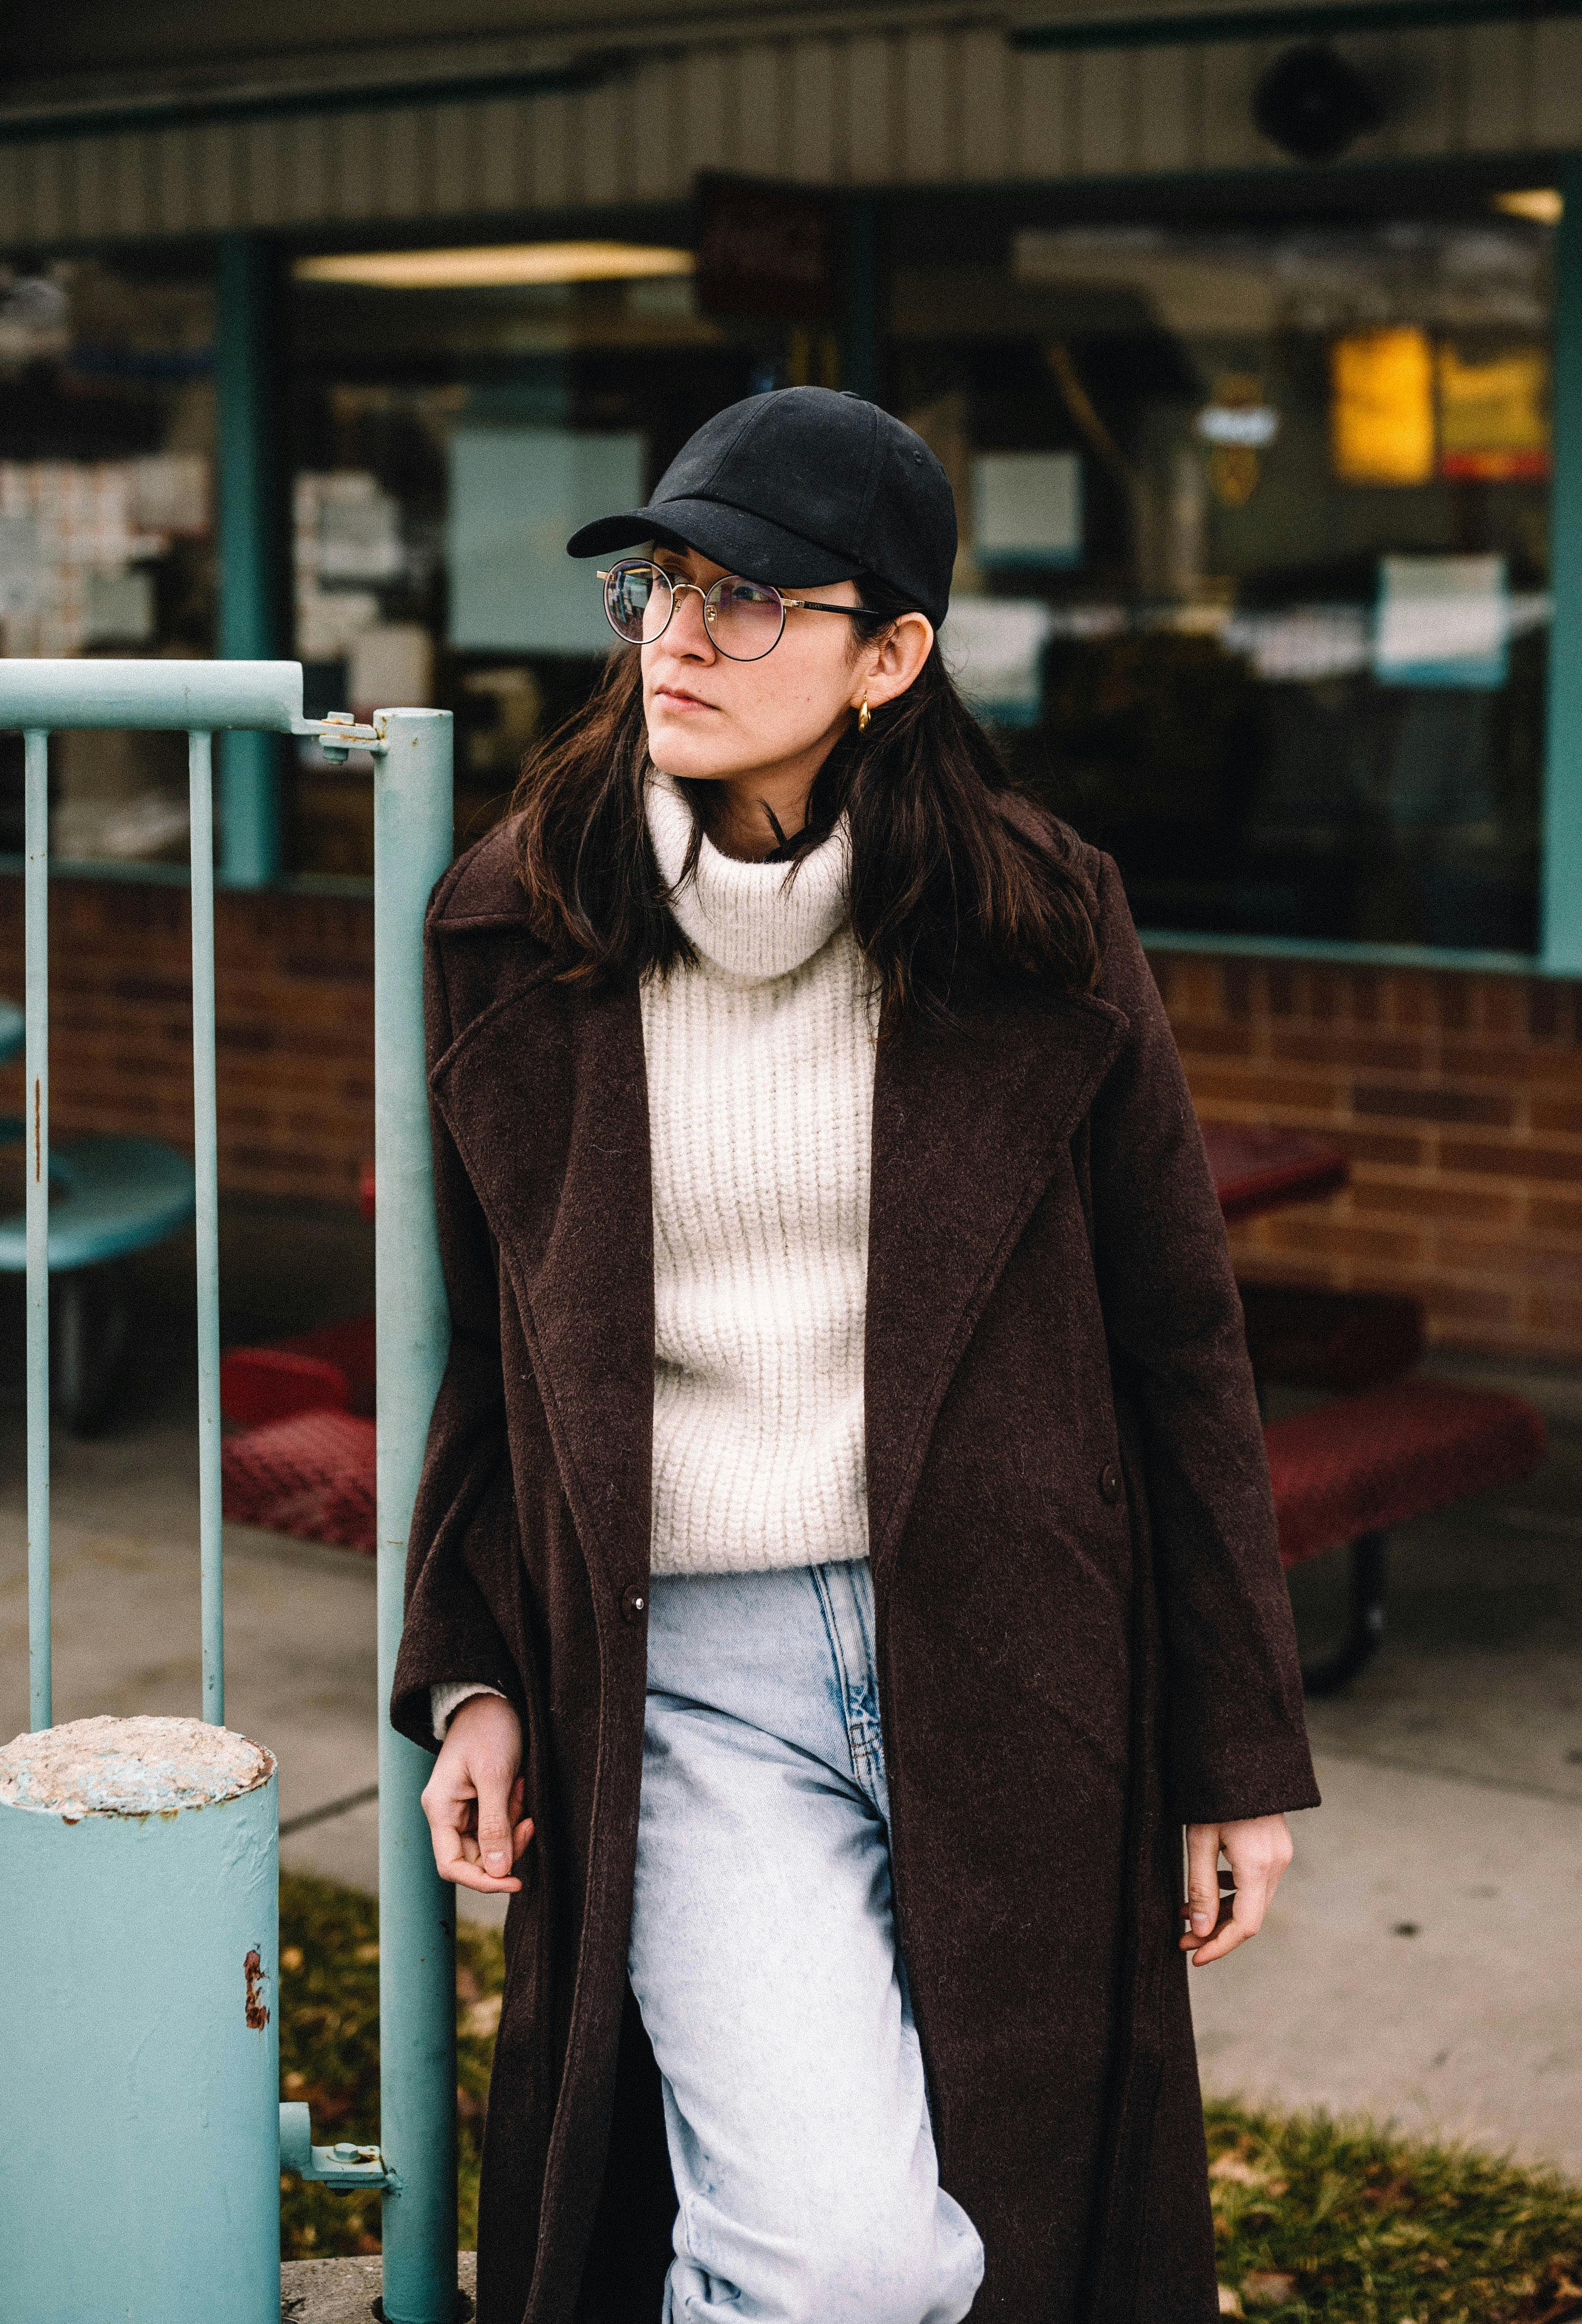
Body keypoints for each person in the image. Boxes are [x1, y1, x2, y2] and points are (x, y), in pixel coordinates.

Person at [393, 385, 1320, 2324]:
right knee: (840, 2255)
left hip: (1014, 1646)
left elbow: (1177, 1337)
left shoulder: (1038, 922)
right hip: (698, 1681)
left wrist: (1234, 1747)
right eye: (657, 585)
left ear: (888, 653)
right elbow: (493, 1348)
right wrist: (470, 1656)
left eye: (745, 602)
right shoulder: (515, 926)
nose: (673, 639)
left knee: (1025, 2207)